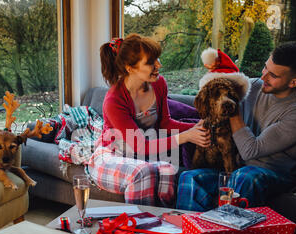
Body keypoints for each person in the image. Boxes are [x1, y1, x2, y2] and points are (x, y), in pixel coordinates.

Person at [177, 41, 296, 211]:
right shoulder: (254, 86)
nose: (263, 76)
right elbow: (212, 97)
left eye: (273, 75)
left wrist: (232, 108)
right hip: (236, 168)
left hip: (273, 175)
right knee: (190, 177)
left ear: (293, 82)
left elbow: (250, 151)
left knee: (246, 176)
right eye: (265, 67)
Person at [86, 34, 210, 207]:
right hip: (112, 154)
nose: (159, 65)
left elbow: (166, 123)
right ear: (130, 68)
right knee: (144, 172)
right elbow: (139, 146)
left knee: (167, 171)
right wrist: (187, 136)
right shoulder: (114, 100)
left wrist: (197, 128)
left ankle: (165, 226)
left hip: (140, 155)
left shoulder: (159, 84)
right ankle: (139, 227)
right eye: (150, 62)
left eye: (157, 58)